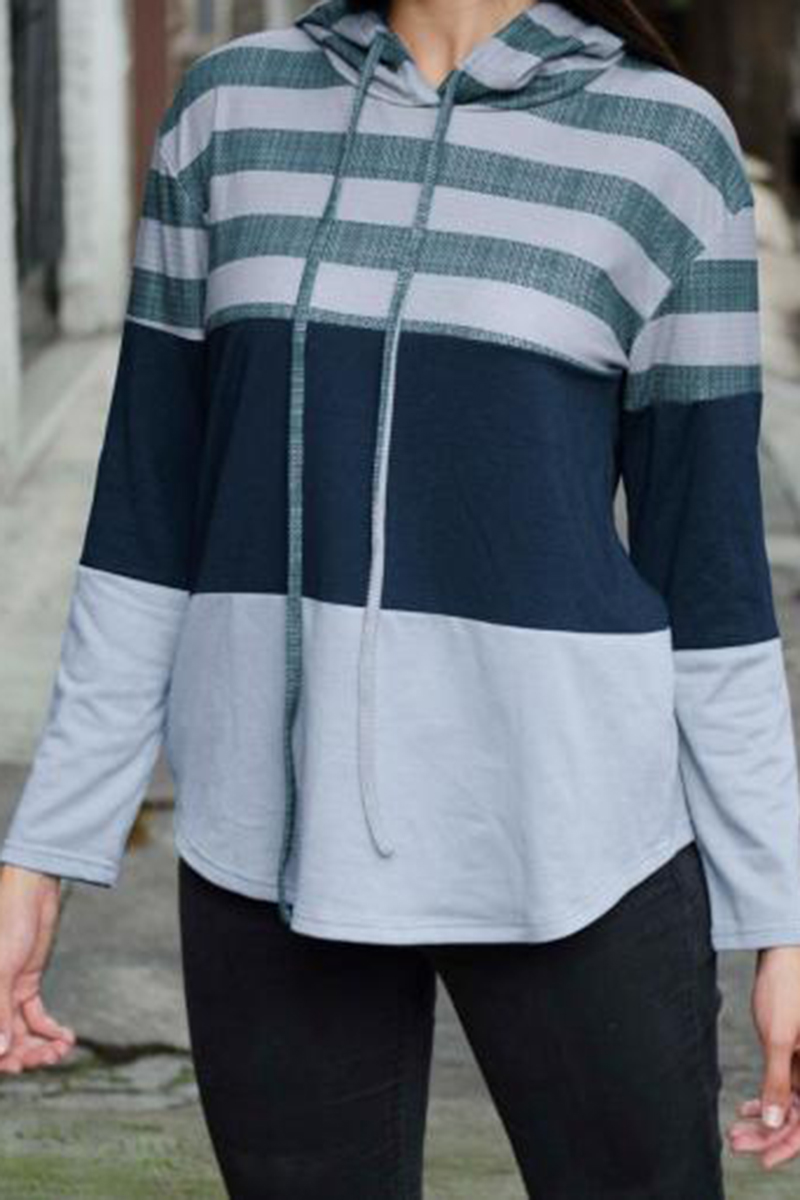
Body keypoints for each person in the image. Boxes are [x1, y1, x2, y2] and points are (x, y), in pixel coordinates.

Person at [1, 0, 800, 1192]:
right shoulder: (229, 111)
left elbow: (713, 577)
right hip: (270, 844)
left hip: (571, 840)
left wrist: (776, 918)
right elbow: (146, 523)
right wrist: (44, 851)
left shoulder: (664, 143)